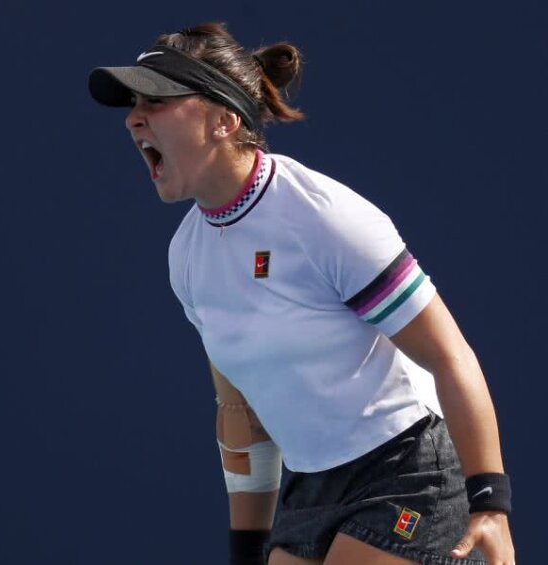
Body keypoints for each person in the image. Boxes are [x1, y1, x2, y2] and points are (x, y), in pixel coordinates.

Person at [87, 22, 515, 565]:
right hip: (310, 488)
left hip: (410, 469)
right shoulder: (186, 258)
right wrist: (246, 550)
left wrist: (491, 505)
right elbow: (240, 410)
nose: (133, 118)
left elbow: (450, 357)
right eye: (132, 104)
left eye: (158, 101)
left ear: (225, 119)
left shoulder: (325, 219)